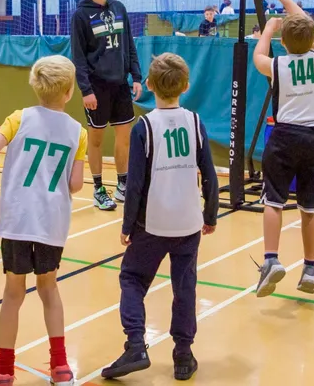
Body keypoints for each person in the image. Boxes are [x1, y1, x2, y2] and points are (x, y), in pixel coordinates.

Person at [0, 55, 87, 386]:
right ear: (69, 91)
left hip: (18, 219)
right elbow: (76, 185)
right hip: (51, 221)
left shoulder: (19, 119)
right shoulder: (78, 132)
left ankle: (4, 370)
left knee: (13, 292)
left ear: (36, 87)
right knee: (49, 288)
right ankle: (60, 367)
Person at [101, 53, 219, 382]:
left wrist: (127, 226)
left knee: (132, 279)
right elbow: (209, 174)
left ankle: (136, 344)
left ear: (149, 85)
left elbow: (134, 184)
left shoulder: (145, 127)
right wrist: (210, 213)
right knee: (185, 287)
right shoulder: (195, 122)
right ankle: (183, 354)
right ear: (186, 85)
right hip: (188, 221)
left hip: (152, 223)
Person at [252, 0, 314, 296]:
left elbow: (258, 54)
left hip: (285, 135)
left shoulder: (277, 65)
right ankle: (310, 268)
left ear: (283, 42)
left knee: (273, 200)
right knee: (310, 207)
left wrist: (268, 29)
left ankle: (271, 260)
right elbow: (307, 29)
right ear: (312, 40)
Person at [69, 0, 142, 210]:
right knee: (96, 141)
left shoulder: (119, 8)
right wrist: (86, 90)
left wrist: (137, 77)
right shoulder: (81, 15)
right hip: (97, 88)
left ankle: (123, 185)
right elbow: (78, 57)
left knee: (125, 139)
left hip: (121, 84)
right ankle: (99, 189)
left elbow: (129, 45)